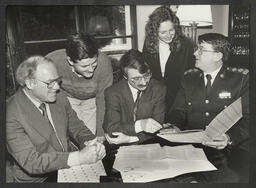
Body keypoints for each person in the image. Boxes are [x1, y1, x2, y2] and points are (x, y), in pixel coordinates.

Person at [6, 56, 106, 183]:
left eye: (58, 80)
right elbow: (32, 162)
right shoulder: (9, 113)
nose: (57, 87)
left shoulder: (58, 97)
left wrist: (91, 143)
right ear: (30, 83)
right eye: (50, 83)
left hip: (67, 169)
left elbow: (77, 127)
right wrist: (79, 157)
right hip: (37, 180)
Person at [166, 33, 249, 182]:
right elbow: (178, 110)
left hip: (225, 152)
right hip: (190, 150)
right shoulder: (189, 77)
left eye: (201, 49)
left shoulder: (240, 79)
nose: (194, 53)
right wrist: (174, 126)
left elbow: (249, 119)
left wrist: (229, 138)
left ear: (217, 55)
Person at [46, 32, 113, 136]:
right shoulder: (52, 61)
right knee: (69, 135)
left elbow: (103, 99)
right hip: (67, 98)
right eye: (84, 66)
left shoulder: (104, 62)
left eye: (94, 63)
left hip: (92, 100)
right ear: (70, 61)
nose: (91, 70)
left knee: (89, 137)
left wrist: (101, 133)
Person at [103, 49, 166, 144]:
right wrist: (140, 125)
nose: (144, 82)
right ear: (125, 77)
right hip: (120, 148)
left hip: (149, 145)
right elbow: (112, 128)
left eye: (146, 75)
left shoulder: (158, 89)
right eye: (136, 79)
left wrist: (130, 139)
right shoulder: (113, 93)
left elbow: (157, 127)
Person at [143, 6, 195, 112]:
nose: (168, 35)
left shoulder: (186, 45)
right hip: (156, 101)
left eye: (171, 30)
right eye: (163, 32)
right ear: (154, 32)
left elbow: (192, 77)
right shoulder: (149, 44)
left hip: (180, 102)